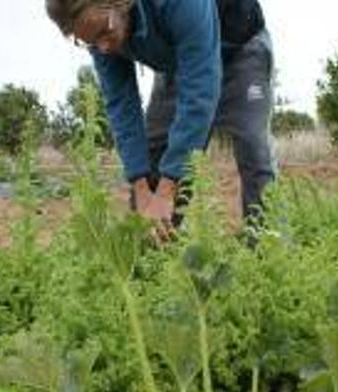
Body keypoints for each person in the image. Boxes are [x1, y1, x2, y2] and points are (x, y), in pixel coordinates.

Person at [46, 0, 276, 239]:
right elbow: (121, 105)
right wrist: (141, 185)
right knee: (152, 165)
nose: (103, 46)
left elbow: (199, 93)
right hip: (178, 63)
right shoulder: (99, 33)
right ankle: (155, 259)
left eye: (104, 31)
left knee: (252, 145)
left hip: (238, 50)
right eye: (90, 41)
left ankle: (268, 248)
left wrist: (168, 191)